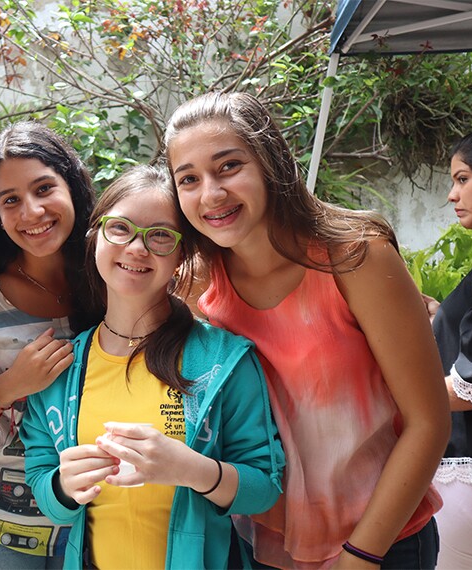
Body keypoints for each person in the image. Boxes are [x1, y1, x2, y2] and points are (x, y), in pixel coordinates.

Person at [164, 90, 449, 569]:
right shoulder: (197, 284)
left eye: (229, 166)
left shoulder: (355, 258)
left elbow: (429, 421)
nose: (210, 194)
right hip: (263, 545)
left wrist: (361, 555)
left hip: (383, 541)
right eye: (188, 179)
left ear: (271, 162)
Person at [19, 163, 285, 569]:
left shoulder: (224, 361)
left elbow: (265, 487)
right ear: (95, 240)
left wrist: (193, 470)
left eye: (160, 235)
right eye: (121, 229)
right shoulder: (60, 371)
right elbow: (44, 488)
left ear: (182, 255)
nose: (137, 248)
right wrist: (62, 486)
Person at [0, 121, 97, 569]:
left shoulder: (113, 275)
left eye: (44, 188)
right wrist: (9, 387)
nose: (32, 212)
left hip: (95, 519)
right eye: (11, 200)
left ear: (72, 183)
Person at [430, 131, 472, 569]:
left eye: (462, 179)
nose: (452, 194)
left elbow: (469, 390)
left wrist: (386, 391)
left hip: (468, 477)